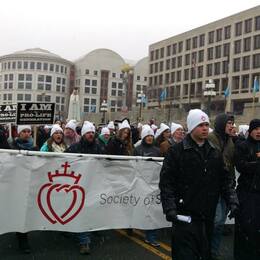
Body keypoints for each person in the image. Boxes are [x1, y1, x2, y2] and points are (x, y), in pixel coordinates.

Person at [159, 109, 238, 260]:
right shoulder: (176, 151)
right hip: (184, 216)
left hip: (207, 216)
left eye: (206, 124)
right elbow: (167, 183)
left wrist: (232, 200)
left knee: (204, 254)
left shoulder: (214, 152)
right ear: (192, 127)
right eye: (200, 125)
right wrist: (170, 208)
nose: (204, 128)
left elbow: (225, 180)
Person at [65, 121, 101, 255]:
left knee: (87, 212)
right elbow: (61, 160)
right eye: (88, 133)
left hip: (92, 184)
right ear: (83, 134)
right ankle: (84, 241)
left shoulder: (98, 147)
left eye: (92, 132)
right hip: (77, 185)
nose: (91, 135)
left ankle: (84, 236)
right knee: (80, 211)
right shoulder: (74, 147)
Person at [208, 113, 236, 260]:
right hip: (213, 187)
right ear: (221, 124)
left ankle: (214, 252)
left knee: (219, 224)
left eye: (232, 123)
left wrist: (232, 183)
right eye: (229, 123)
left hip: (226, 186)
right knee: (216, 221)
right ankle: (207, 250)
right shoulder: (211, 139)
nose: (232, 126)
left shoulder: (230, 141)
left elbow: (230, 164)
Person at [234, 118, 260, 260]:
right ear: (250, 130)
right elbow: (240, 166)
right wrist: (256, 164)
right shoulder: (243, 146)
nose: (259, 132)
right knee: (246, 228)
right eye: (256, 129)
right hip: (247, 194)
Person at [11, 125, 38, 254]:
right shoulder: (12, 148)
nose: (27, 134)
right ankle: (22, 239)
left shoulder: (34, 147)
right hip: (16, 183)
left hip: (30, 182)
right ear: (19, 133)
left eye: (29, 131)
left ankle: (22, 234)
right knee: (18, 210)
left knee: (26, 210)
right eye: (24, 131)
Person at [134, 125, 161, 247]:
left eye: (151, 136)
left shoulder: (157, 150)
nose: (150, 138)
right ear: (143, 137)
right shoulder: (137, 149)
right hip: (140, 183)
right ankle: (133, 226)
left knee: (152, 211)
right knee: (140, 209)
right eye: (147, 136)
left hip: (153, 184)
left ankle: (151, 237)